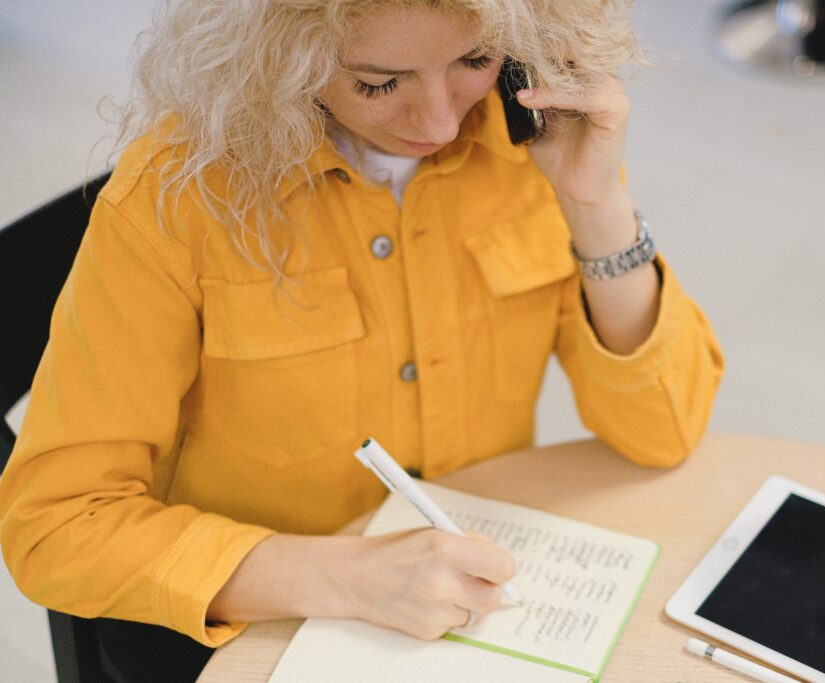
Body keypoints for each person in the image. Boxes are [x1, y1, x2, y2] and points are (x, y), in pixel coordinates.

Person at [0, 0, 723, 680]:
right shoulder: (177, 199)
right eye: (378, 84)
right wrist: (351, 575)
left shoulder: (531, 131)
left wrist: (595, 203)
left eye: (473, 60)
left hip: (470, 603)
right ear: (281, 53)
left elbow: (663, 428)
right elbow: (57, 526)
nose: (439, 119)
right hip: (250, 626)